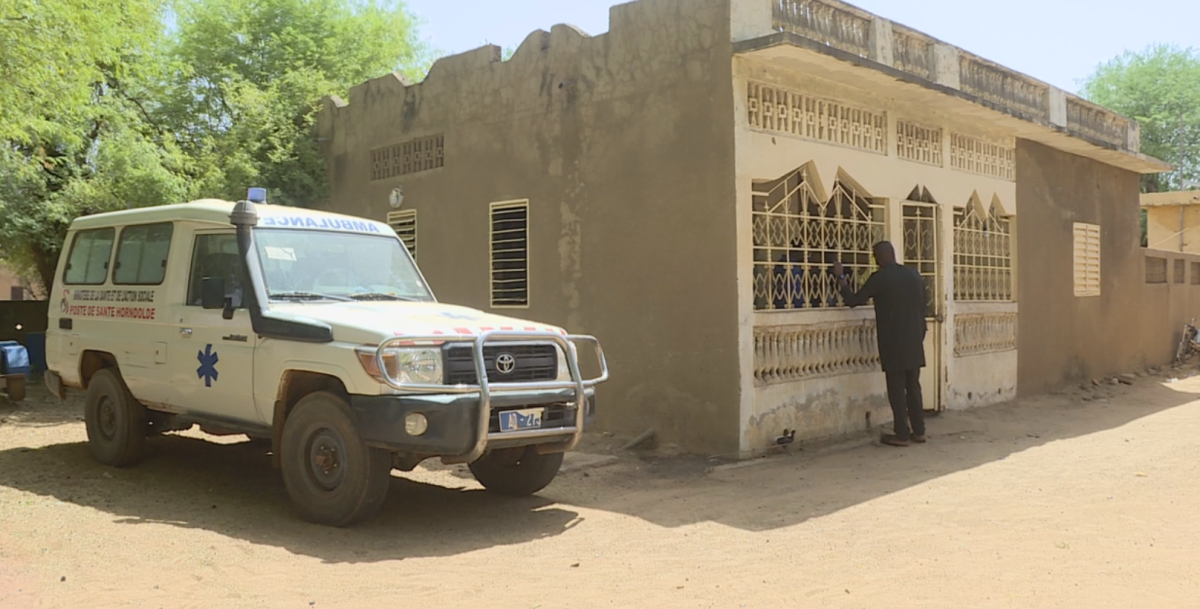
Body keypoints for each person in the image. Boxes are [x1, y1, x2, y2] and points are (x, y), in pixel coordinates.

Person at [832, 241, 928, 447]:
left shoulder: (881, 278)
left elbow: (854, 300)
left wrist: (841, 277)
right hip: (914, 340)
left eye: (875, 256)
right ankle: (919, 431)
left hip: (893, 341)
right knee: (913, 387)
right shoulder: (914, 275)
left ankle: (902, 434)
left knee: (896, 389)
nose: (875, 261)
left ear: (881, 257)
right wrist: (920, 333)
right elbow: (923, 308)